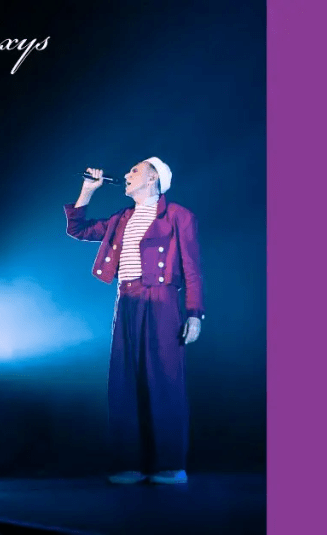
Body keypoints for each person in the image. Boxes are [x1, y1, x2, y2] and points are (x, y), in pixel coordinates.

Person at [64, 157, 205, 485]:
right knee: (124, 380)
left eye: (135, 170)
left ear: (153, 178)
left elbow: (193, 269)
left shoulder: (178, 216)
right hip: (126, 300)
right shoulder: (121, 218)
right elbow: (78, 229)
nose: (127, 174)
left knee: (164, 379)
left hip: (161, 300)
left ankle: (169, 463)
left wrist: (194, 313)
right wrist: (88, 190)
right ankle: (128, 463)